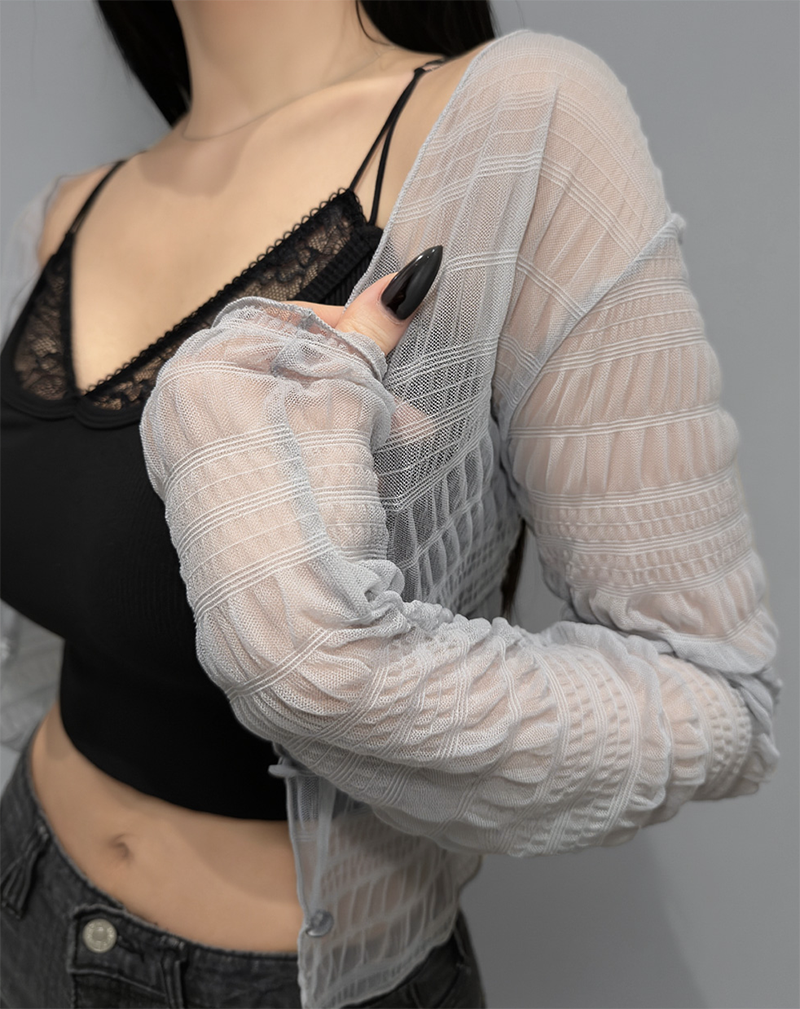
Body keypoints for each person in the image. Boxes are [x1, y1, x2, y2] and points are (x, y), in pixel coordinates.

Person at [0, 1, 780, 1008]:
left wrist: (308, 649)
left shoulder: (516, 121)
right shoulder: (69, 211)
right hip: (24, 883)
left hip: (284, 983)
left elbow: (712, 695)